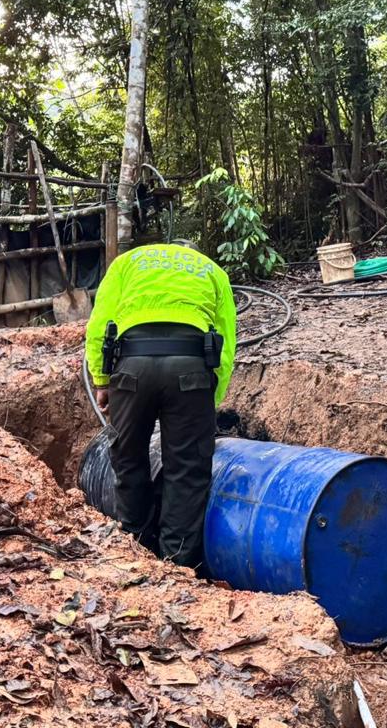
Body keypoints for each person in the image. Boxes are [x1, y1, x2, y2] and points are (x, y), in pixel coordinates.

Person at [84, 239, 236, 568]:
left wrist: (101, 380)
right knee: (187, 470)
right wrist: (210, 400)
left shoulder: (128, 262)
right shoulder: (212, 271)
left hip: (131, 367)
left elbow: (98, 325)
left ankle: (136, 551)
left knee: (129, 460)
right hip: (190, 367)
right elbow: (226, 342)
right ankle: (176, 566)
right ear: (194, 252)